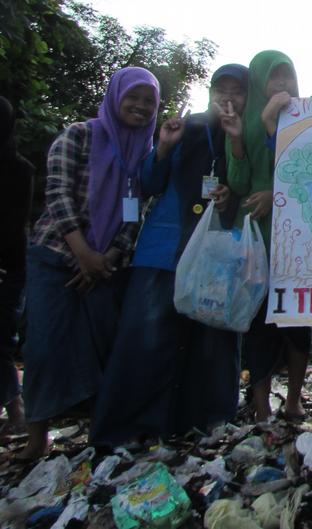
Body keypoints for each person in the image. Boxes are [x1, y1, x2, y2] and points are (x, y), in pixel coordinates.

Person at [90, 65, 248, 447]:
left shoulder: (249, 134)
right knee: (146, 340)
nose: (227, 97)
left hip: (215, 256)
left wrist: (234, 171)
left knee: (211, 344)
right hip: (165, 251)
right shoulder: (185, 127)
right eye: (220, 88)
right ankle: (128, 432)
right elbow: (149, 182)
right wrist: (162, 146)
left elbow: (250, 184)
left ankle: (204, 426)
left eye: (237, 90)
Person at [20, 67, 159, 459]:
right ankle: (37, 437)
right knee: (45, 346)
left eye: (149, 101)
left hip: (108, 266)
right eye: (133, 97)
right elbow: (58, 193)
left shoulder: (144, 155)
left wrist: (108, 258)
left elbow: (136, 215)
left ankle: (102, 433)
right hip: (57, 255)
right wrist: (83, 253)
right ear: (115, 97)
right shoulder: (79, 135)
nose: (141, 106)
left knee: (104, 349)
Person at [229, 51, 310, 422]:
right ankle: (261, 408)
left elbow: (304, 171)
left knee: (298, 321)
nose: (282, 85)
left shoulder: (306, 117)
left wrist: (275, 193)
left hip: (297, 232)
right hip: (258, 234)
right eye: (274, 78)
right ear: (260, 82)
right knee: (260, 323)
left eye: (287, 77)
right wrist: (239, 138)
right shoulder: (242, 122)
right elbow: (237, 183)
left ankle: (294, 401)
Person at [0, 96, 33, 432]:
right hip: (12, 264)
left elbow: (14, 224)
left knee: (1, 341)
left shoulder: (18, 168)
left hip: (8, 267)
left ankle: (17, 413)